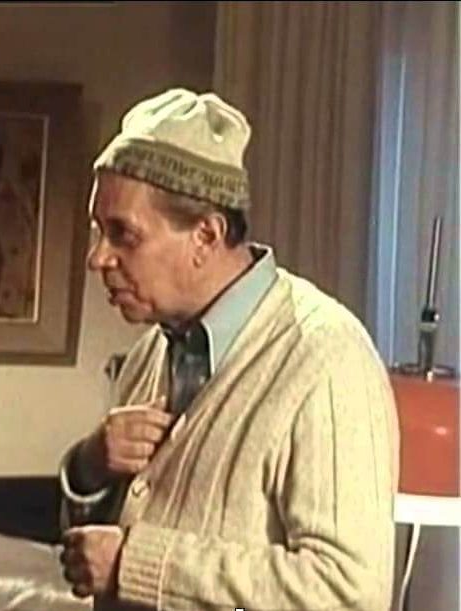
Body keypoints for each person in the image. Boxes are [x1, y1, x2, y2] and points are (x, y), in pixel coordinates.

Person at [57, 88, 399, 610]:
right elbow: (94, 557)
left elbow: (349, 592)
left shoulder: (326, 358)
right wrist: (89, 467)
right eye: (98, 231)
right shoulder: (150, 353)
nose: (98, 258)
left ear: (206, 235)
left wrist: (137, 563)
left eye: (123, 234)